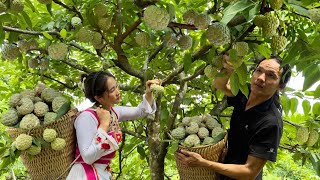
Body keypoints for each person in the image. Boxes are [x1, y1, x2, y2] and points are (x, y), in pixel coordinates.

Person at [176, 55, 291, 180]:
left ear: (280, 86)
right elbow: (219, 84)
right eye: (259, 71)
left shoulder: (271, 123)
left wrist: (203, 163)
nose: (261, 78)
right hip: (224, 170)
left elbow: (249, 172)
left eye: (271, 75)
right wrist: (229, 68)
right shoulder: (245, 91)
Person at [67, 70, 161, 180]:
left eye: (116, 86)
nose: (118, 92)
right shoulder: (86, 118)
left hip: (102, 173)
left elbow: (141, 111)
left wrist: (149, 92)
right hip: (85, 174)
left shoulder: (114, 112)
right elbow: (87, 157)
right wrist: (104, 125)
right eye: (112, 90)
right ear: (99, 98)